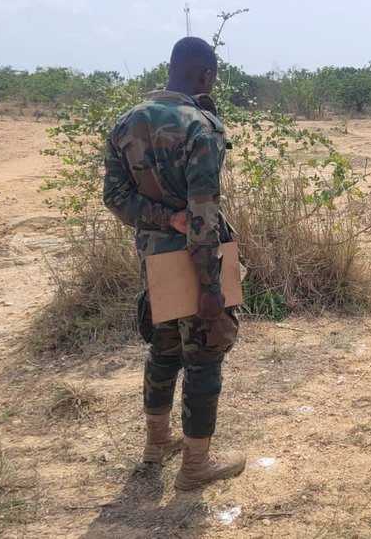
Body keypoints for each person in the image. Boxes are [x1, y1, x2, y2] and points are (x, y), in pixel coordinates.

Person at [102, 36, 243, 490]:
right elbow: (202, 212)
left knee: (163, 348)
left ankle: (157, 442)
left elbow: (115, 197)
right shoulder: (201, 126)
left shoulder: (127, 122)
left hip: (152, 259)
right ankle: (196, 467)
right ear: (205, 76)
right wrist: (210, 285)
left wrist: (162, 218)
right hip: (195, 262)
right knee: (204, 357)